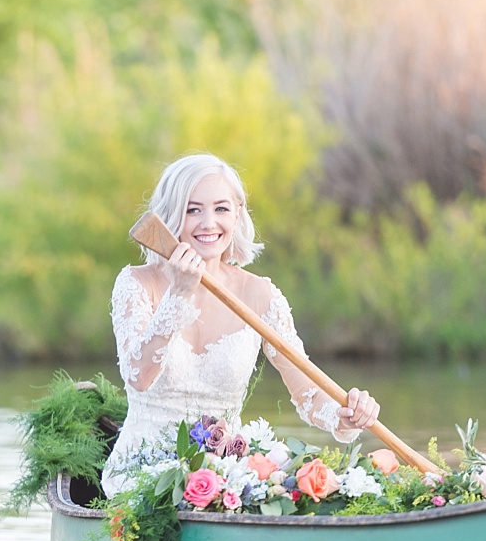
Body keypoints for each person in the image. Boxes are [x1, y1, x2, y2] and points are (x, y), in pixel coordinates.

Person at [102, 153, 381, 495]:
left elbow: (307, 391)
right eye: (193, 210)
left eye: (221, 209)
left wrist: (343, 416)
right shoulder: (135, 284)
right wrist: (179, 295)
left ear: (237, 214)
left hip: (226, 475)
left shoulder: (260, 294)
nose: (208, 223)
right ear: (171, 216)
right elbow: (139, 377)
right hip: (142, 471)